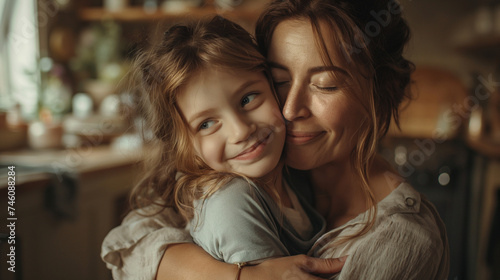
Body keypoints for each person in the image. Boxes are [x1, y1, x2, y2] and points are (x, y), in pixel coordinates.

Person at [102, 0, 449, 279]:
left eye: (325, 85)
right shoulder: (264, 170)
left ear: (382, 90)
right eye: (279, 80)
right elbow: (129, 238)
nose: (290, 109)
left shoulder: (400, 239)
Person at [101, 14, 341, 279]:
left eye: (248, 99)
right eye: (206, 124)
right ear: (184, 146)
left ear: (272, 86)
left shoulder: (291, 171)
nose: (240, 131)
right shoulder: (234, 202)